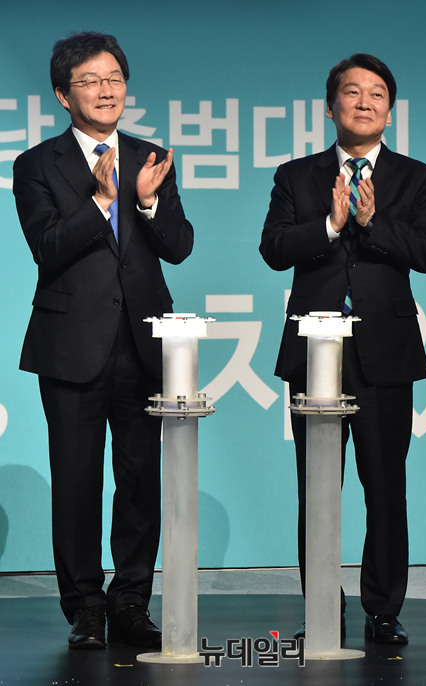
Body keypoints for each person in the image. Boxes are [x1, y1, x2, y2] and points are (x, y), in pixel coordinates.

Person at [13, 32, 194, 650]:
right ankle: (85, 607)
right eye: (90, 80)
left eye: (114, 78)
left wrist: (146, 203)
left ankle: (131, 601)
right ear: (63, 94)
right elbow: (47, 247)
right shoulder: (37, 164)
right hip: (71, 344)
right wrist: (99, 202)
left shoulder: (151, 156)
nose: (106, 89)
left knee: (140, 479)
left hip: (143, 344)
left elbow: (179, 245)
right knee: (76, 481)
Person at [259, 54, 426, 644]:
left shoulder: (415, 178)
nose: (365, 102)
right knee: (317, 488)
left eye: (377, 94)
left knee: (386, 486)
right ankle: (321, 605)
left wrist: (371, 221)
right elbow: (273, 249)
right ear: (330, 106)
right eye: (353, 92)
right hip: (314, 353)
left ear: (390, 111)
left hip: (384, 354)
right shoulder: (297, 176)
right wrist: (331, 225)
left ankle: (383, 609)